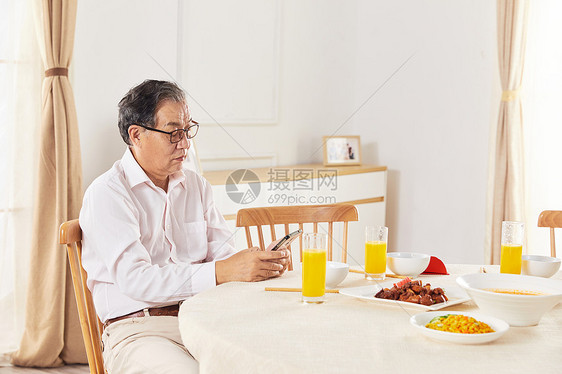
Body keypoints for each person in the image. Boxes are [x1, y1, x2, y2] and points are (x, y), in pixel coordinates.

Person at [79, 80, 290, 373]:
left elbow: (223, 258)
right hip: (141, 330)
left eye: (188, 130)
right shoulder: (108, 193)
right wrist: (221, 271)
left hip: (207, 320)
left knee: (280, 358)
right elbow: (136, 281)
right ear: (136, 135)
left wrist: (254, 264)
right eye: (174, 133)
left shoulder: (196, 186)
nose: (185, 144)